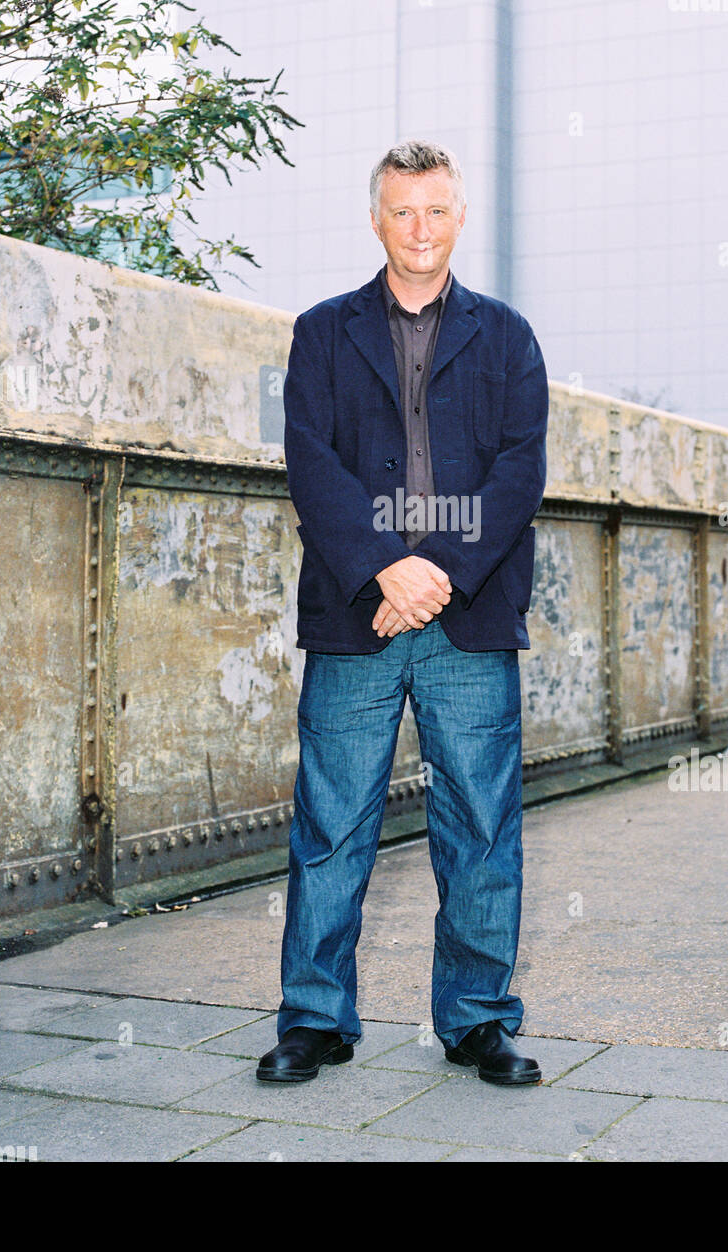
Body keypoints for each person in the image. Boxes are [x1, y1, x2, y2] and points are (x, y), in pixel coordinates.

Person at [257, 139, 548, 1087]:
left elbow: (518, 475)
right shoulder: (321, 332)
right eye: (401, 212)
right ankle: (313, 1019)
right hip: (357, 615)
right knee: (333, 823)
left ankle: (476, 1021)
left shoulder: (508, 337)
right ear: (376, 218)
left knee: (480, 824)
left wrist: (439, 577)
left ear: (460, 217)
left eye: (435, 211)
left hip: (468, 617)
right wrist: (387, 571)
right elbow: (314, 467)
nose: (418, 230)